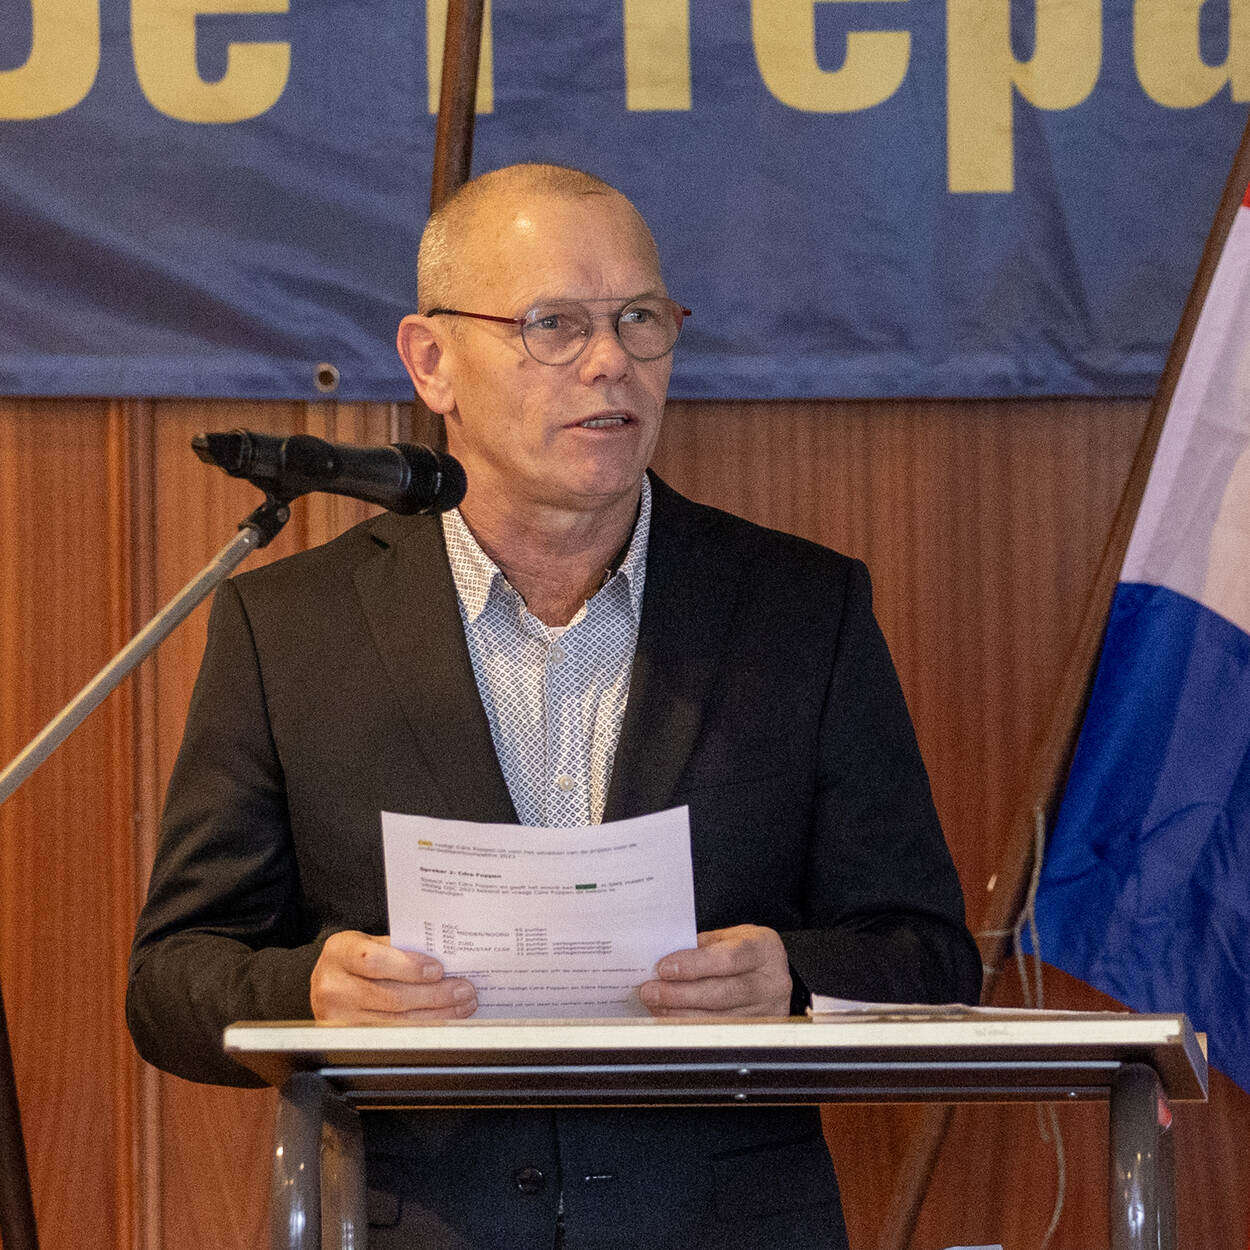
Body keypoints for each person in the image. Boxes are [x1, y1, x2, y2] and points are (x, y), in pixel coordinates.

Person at [127, 163, 982, 1249]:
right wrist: (313, 990)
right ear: (431, 362)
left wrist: (792, 977)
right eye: (554, 324)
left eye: (640, 319)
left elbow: (928, 955)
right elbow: (171, 981)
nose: (610, 360)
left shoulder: (798, 609)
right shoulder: (290, 627)